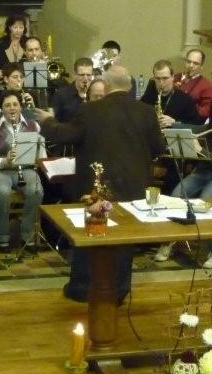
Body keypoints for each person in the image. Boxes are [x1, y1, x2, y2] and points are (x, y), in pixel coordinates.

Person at [38, 66, 166, 303]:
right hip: (133, 187)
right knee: (124, 241)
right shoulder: (146, 112)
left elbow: (66, 135)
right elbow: (159, 148)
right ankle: (118, 290)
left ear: (106, 85)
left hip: (97, 184)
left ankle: (82, 287)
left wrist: (47, 121)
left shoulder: (91, 111)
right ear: (130, 86)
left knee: (92, 236)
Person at [155, 90, 212, 269]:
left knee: (207, 199)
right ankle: (169, 242)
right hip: (203, 174)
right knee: (176, 195)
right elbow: (187, 139)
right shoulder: (207, 131)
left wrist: (202, 150)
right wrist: (187, 146)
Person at [0, 90, 43, 252]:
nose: (12, 108)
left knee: (35, 190)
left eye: (15, 104)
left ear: (21, 107)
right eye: (7, 105)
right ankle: (3, 237)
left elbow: (41, 154)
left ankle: (26, 234)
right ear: (1, 109)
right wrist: (5, 161)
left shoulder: (33, 125)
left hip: (24, 169)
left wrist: (34, 157)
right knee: (2, 191)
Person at [140, 59, 202, 127]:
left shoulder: (186, 100)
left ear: (172, 77)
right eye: (158, 78)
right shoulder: (147, 98)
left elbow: (196, 125)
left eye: (165, 78)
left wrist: (175, 123)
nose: (161, 83)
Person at [175, 48, 212, 120]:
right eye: (188, 62)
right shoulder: (174, 78)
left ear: (201, 66)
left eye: (195, 63)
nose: (191, 65)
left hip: (190, 123)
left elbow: (206, 112)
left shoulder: (207, 86)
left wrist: (188, 107)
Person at [50, 57, 94, 123]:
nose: (85, 79)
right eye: (82, 75)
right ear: (75, 75)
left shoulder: (95, 94)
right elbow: (54, 123)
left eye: (88, 75)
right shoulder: (61, 95)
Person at [0, 14, 28, 82]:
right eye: (15, 27)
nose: (18, 30)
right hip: (4, 83)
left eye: (21, 27)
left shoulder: (28, 42)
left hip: (24, 82)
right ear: (9, 27)